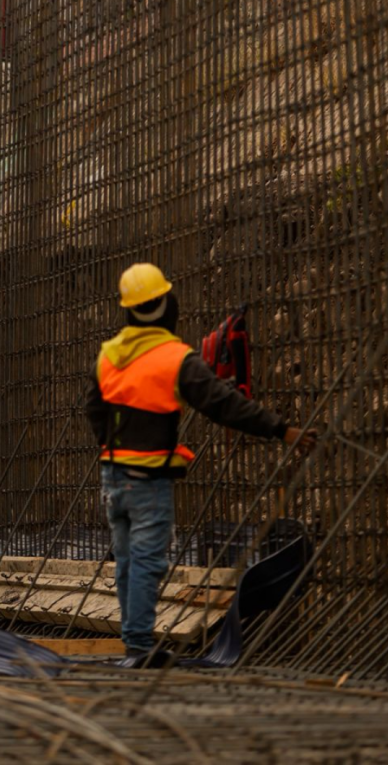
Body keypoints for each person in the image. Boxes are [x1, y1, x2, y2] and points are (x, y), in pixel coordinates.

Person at [86, 263, 318, 667]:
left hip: (113, 477)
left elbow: (93, 408)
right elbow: (223, 404)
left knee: (126, 561)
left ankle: (132, 640)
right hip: (148, 479)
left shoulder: (108, 356)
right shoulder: (174, 357)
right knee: (146, 561)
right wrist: (282, 429)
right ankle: (139, 647)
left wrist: (112, 447)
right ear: (163, 305)